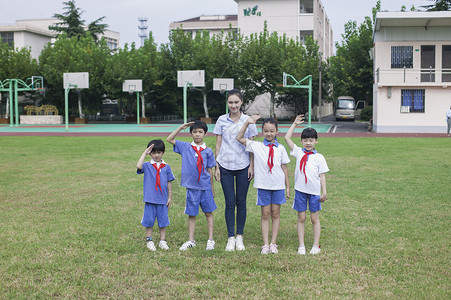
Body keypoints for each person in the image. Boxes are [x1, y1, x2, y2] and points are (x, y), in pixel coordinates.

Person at [236, 115, 290, 254]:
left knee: (276, 213)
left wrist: (288, 186)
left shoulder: (281, 148)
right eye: (266, 131)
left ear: (277, 131)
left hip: (278, 186)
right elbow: (239, 138)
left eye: (272, 131)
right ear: (262, 132)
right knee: (265, 214)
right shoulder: (257, 146)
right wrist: (247, 123)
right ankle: (265, 244)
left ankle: (273, 243)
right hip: (263, 186)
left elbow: (284, 168)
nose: (269, 134)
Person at [213, 89, 258, 251]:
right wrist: (217, 166)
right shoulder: (221, 120)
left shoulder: (248, 121)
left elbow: (252, 146)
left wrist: (252, 166)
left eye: (236, 102)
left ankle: (240, 237)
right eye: (230, 102)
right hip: (225, 166)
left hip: (243, 166)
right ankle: (230, 237)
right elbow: (218, 145)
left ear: (241, 102)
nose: (233, 105)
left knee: (241, 202)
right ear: (227, 103)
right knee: (230, 203)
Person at [167, 121, 217, 251]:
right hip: (192, 188)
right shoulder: (185, 147)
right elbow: (169, 139)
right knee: (192, 214)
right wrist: (180, 128)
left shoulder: (208, 151)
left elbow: (210, 170)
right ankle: (191, 240)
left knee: (208, 213)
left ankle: (211, 240)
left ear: (205, 134)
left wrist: (212, 188)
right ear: (191, 133)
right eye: (194, 132)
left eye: (200, 132)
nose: (197, 134)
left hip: (205, 187)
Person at [284, 115, 329, 255]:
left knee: (314, 218)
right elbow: (287, 138)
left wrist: (324, 192)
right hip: (300, 191)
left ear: (316, 141)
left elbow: (322, 175)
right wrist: (294, 124)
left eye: (311, 140)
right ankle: (301, 245)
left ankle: (316, 245)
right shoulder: (298, 152)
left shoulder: (319, 157)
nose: (308, 143)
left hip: (314, 192)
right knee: (301, 218)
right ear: (302, 141)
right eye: (305, 140)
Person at [136, 139, 175, 251]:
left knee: (163, 221)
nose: (156, 155)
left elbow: (169, 182)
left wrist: (170, 197)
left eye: (159, 152)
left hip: (162, 200)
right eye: (154, 153)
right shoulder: (147, 165)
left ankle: (162, 241)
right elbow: (138, 166)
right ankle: (149, 240)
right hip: (150, 199)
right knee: (149, 221)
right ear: (150, 153)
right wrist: (145, 153)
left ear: (163, 152)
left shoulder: (166, 167)